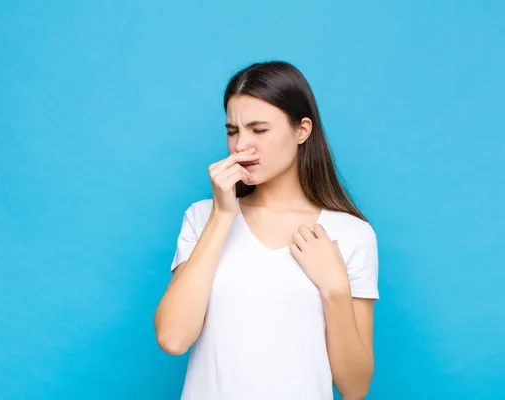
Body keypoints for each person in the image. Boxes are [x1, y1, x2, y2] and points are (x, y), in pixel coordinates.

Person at [154, 61, 380, 400]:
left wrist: (335, 289)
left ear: (302, 130)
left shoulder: (351, 234)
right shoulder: (203, 217)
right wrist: (221, 217)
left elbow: (355, 387)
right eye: (233, 131)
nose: (242, 146)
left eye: (259, 130)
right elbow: (173, 339)